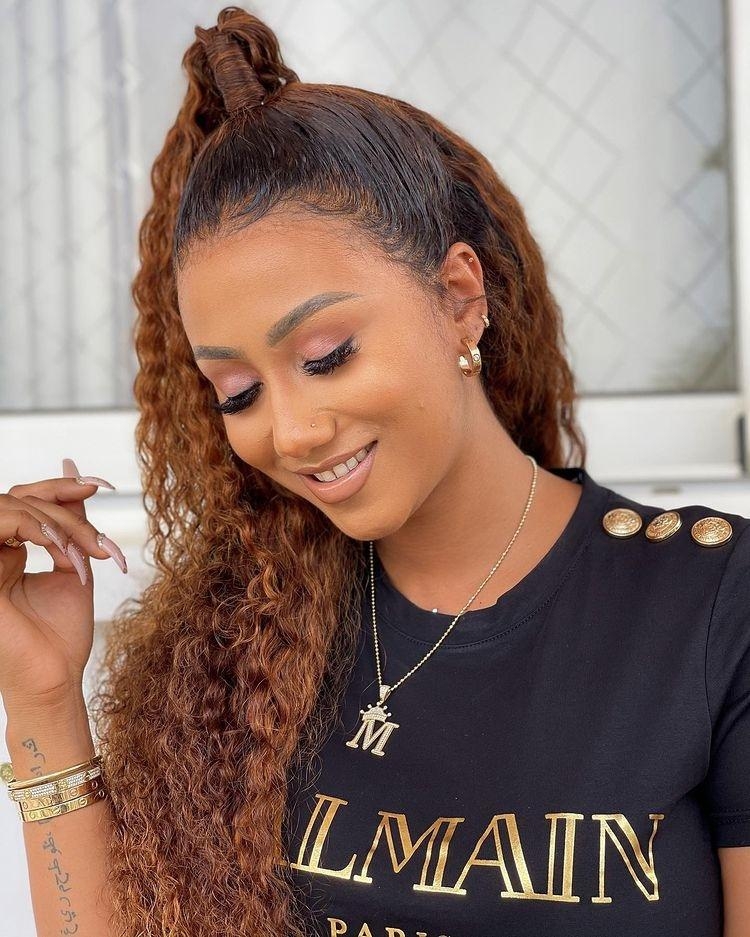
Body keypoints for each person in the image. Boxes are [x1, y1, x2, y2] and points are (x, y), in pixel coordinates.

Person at [1, 6, 748, 937]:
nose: (293, 431)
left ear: (460, 297)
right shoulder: (241, 649)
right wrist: (40, 694)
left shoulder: (711, 607)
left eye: (327, 356)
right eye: (238, 392)